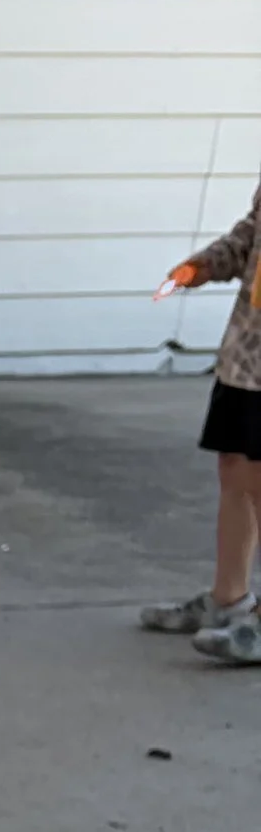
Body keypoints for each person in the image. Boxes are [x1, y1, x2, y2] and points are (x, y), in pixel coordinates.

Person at [142, 179, 261, 659]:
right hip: (248, 357)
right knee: (234, 469)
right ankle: (228, 600)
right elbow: (248, 238)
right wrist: (202, 266)